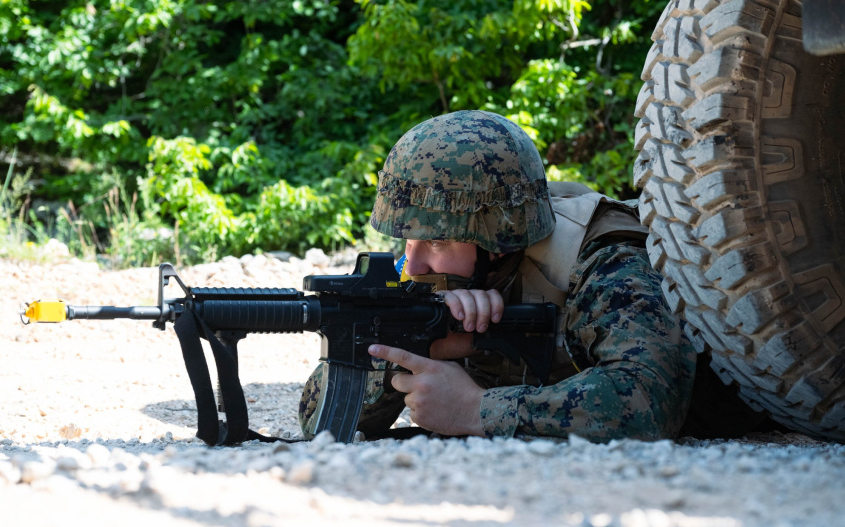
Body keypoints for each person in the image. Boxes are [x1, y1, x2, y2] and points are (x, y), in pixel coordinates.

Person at [297, 109, 768, 442]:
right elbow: (316, 414)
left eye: (437, 242)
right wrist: (415, 352)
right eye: (407, 240)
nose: (413, 265)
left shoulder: (604, 261)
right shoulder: (427, 275)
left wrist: (477, 411)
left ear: (497, 243)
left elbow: (647, 402)